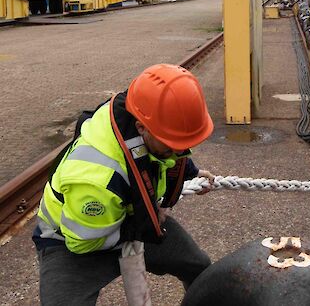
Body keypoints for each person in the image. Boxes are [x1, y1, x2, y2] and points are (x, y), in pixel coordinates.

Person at [33, 64, 215, 306]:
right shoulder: (97, 179)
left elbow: (150, 158)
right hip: (74, 240)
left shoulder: (141, 116)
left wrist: (190, 172)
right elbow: (82, 242)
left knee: (201, 269)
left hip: (132, 215)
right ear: (141, 128)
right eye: (174, 144)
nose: (181, 151)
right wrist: (143, 225)